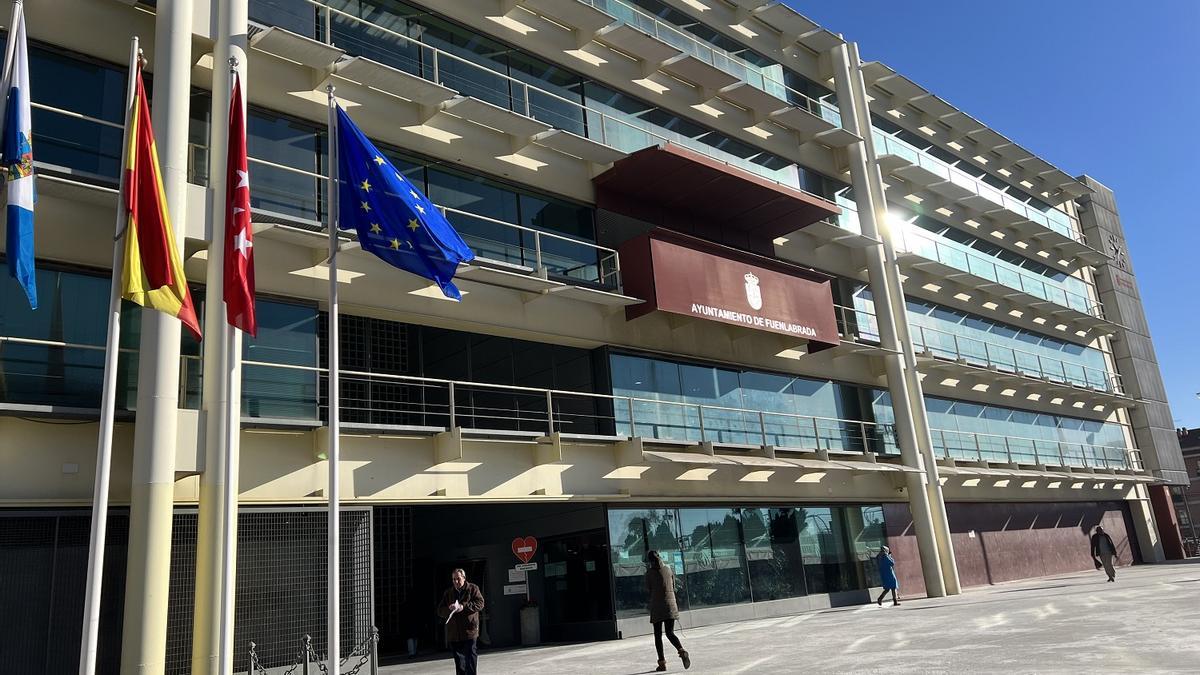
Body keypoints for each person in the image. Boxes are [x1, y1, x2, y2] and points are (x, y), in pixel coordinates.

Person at [645, 550, 690, 672]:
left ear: (649, 561)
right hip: (671, 604)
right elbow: (674, 586)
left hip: (657, 606)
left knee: (658, 635)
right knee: (670, 632)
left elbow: (648, 589)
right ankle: (681, 650)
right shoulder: (669, 569)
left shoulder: (649, 573)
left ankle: (662, 663)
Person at [436, 568, 486, 675]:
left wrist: (464, 607)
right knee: (459, 661)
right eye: (454, 579)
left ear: (464, 578)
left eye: (458, 579)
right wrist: (449, 609)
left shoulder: (473, 588)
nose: (456, 582)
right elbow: (440, 610)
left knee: (470, 658)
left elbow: (480, 603)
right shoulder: (448, 592)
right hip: (454, 632)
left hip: (469, 630)